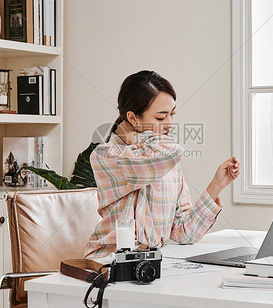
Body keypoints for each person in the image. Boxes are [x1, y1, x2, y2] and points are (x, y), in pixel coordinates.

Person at [84, 70, 239, 259]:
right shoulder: (107, 155)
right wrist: (132, 136)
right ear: (133, 118)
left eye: (172, 114)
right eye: (160, 117)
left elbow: (184, 233)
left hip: (150, 264)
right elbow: (171, 151)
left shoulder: (166, 164)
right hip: (109, 262)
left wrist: (216, 185)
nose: (169, 124)